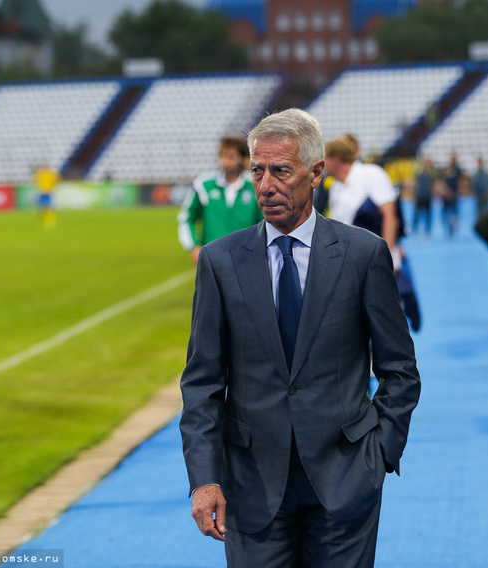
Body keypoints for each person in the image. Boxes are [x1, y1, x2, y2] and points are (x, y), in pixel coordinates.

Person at [180, 109, 421, 567]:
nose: (266, 185)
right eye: (258, 170)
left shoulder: (364, 254)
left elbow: (399, 370)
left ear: (316, 173)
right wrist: (205, 479)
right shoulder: (220, 261)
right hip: (251, 488)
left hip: (346, 480)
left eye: (281, 171)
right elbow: (202, 382)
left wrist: (380, 454)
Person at [178, 136, 262, 264]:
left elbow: (264, 223)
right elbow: (186, 217)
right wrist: (193, 246)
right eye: (222, 156)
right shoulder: (204, 185)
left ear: (244, 159)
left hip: (246, 259)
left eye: (231, 157)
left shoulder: (255, 186)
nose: (225, 162)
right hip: (212, 258)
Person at [323, 135, 400, 260]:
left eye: (325, 159)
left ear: (336, 160)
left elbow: (390, 217)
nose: (322, 165)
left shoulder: (372, 174)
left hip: (375, 255)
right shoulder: (335, 187)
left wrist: (388, 254)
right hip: (350, 257)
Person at [412, 158, 437, 238]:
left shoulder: (432, 173)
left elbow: (434, 185)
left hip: (428, 197)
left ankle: (427, 233)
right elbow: (415, 184)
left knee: (428, 216)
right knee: (416, 216)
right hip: (419, 196)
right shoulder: (419, 172)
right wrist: (413, 195)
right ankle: (415, 233)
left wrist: (434, 195)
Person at [440, 153, 462, 238]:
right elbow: (441, 181)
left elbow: (461, 181)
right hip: (446, 194)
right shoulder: (446, 169)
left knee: (454, 213)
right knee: (445, 213)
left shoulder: (458, 169)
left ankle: (453, 230)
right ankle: (447, 228)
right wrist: (445, 191)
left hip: (454, 194)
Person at [34, 164, 60, 230]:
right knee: (41, 207)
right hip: (42, 192)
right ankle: (43, 219)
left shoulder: (50, 174)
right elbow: (36, 181)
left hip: (48, 192)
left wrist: (52, 188)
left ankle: (49, 220)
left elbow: (56, 180)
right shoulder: (40, 174)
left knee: (48, 207)